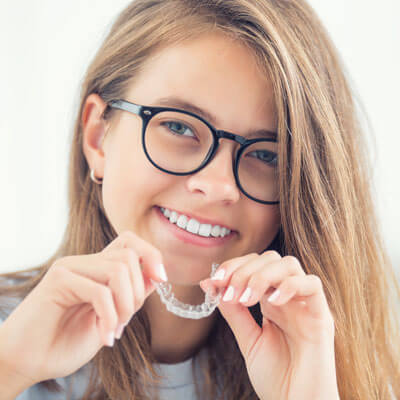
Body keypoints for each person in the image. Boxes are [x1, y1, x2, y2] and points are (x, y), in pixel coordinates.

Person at [0, 0, 399, 399]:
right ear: (97, 138)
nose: (218, 185)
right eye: (178, 126)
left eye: (266, 154)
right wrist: (9, 366)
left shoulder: (351, 371)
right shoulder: (10, 341)